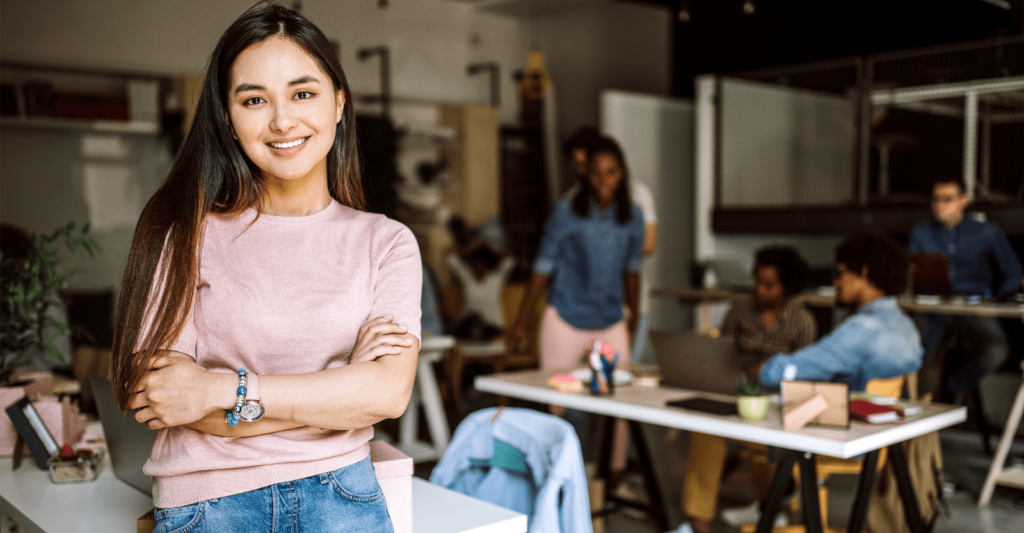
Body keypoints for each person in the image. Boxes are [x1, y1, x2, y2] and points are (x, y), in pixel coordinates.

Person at [110, 5, 420, 532]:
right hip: (209, 505)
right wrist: (338, 387)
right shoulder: (183, 235)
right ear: (228, 119)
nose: (282, 120)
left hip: (344, 497)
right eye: (254, 99)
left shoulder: (386, 243)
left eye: (303, 93)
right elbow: (163, 398)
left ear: (339, 102)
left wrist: (217, 391)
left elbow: (385, 395)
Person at [670, 234, 923, 533]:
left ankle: (702, 525)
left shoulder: (860, 331)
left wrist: (762, 370)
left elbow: (792, 369)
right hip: (876, 438)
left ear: (864, 273)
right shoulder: (907, 328)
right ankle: (768, 505)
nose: (836, 282)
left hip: (831, 433)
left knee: (710, 423)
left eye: (840, 273)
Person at [508, 134, 645, 486]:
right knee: (558, 403)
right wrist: (522, 321)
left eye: (611, 173)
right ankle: (555, 478)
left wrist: (634, 317)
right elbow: (543, 266)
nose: (603, 181)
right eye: (597, 173)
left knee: (622, 402)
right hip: (565, 317)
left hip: (611, 318)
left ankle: (612, 478)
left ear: (622, 174)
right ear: (586, 175)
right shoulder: (567, 211)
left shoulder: (633, 217)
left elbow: (633, 271)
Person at [681, 246, 817, 533]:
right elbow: (721, 353)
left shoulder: (802, 320)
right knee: (705, 431)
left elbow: (804, 377)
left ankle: (772, 503)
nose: (761, 290)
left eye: (770, 285)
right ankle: (699, 519)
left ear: (787, 286)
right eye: (758, 282)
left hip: (774, 403)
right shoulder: (740, 309)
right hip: (732, 391)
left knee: (768, 440)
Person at [908, 177, 1023, 397]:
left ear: (964, 200)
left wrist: (996, 301)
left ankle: (951, 389)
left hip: (974, 306)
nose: (940, 205)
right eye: (936, 199)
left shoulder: (988, 232)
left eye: (947, 199)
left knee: (996, 351)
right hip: (934, 307)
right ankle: (922, 410)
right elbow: (912, 272)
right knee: (916, 355)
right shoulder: (921, 233)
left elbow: (1013, 272)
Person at [563, 127, 658, 360]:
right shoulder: (571, 200)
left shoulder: (638, 194)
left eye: (585, 163)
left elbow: (647, 244)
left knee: (619, 374)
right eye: (578, 165)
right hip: (580, 307)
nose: (583, 171)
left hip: (623, 301)